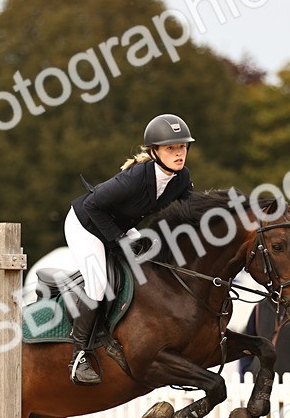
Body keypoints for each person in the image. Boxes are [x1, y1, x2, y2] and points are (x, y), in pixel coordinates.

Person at [64, 113, 196, 384]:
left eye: (182, 147)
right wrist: (120, 241)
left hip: (116, 223)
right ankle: (79, 354)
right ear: (155, 151)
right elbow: (92, 206)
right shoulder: (136, 177)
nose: (178, 153)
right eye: (171, 148)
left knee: (153, 261)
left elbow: (189, 214)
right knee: (98, 284)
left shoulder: (181, 179)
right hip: (85, 225)